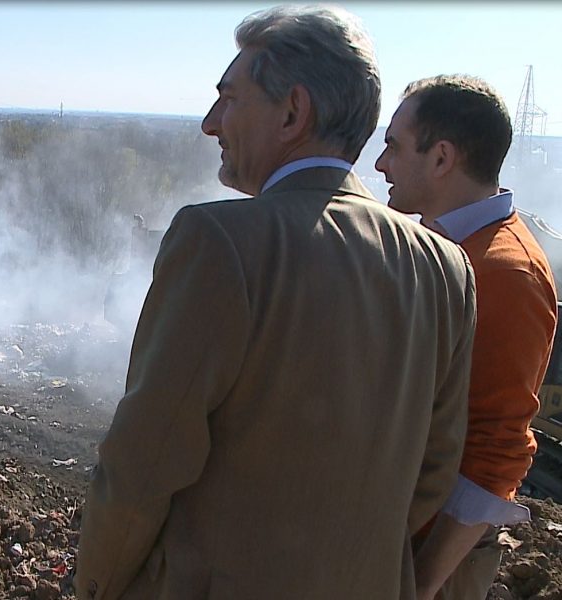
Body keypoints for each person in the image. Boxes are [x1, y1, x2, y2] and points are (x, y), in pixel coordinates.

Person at [74, 5, 478, 599]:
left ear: (293, 112)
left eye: (229, 98)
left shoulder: (220, 242)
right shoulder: (445, 267)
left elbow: (144, 463)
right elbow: (435, 471)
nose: (211, 123)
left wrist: (97, 586)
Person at [375, 75, 558, 600]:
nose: (382, 164)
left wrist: (422, 584)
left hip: (433, 560)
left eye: (394, 146)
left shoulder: (505, 273)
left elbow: (497, 448)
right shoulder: (446, 246)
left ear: (442, 158)